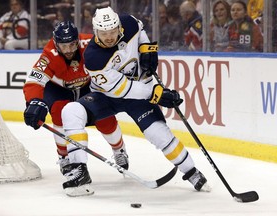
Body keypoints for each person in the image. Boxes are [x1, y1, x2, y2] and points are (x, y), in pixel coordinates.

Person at [61, 6, 209, 193]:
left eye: (112, 31)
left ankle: (192, 172)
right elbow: (123, 88)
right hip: (106, 96)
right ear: (96, 31)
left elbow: (141, 30)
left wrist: (147, 49)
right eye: (103, 33)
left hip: (139, 94)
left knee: (159, 134)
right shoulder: (93, 57)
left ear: (119, 27)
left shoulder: (129, 23)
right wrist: (156, 93)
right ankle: (79, 170)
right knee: (71, 111)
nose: (109, 37)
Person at [23, 21, 129, 197]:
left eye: (72, 44)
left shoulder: (90, 43)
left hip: (87, 86)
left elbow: (119, 51)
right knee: (58, 112)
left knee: (104, 117)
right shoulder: (49, 55)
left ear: (78, 40)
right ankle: (64, 157)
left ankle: (119, 150)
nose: (69, 49)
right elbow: (34, 81)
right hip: (58, 89)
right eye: (64, 45)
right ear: (56, 43)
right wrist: (34, 101)